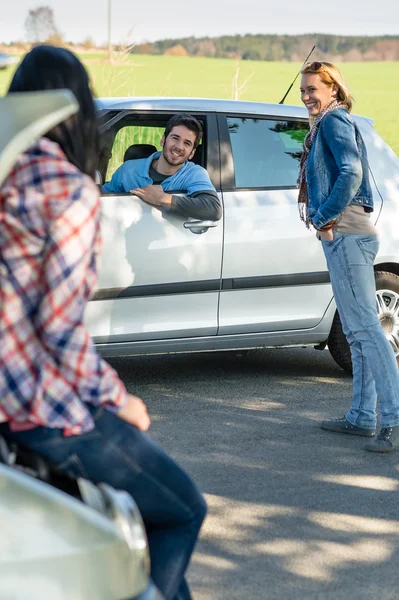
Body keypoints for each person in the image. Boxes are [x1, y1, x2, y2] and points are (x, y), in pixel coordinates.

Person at [0, 45, 206, 600]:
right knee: (184, 509)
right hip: (32, 406)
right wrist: (118, 400)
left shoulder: (5, 171)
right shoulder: (69, 188)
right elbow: (60, 331)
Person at [298, 60, 399, 453]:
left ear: (334, 90)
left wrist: (324, 216)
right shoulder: (324, 125)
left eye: (314, 89)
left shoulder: (335, 122)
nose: (307, 96)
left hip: (349, 235)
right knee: (357, 333)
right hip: (343, 236)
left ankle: (391, 420)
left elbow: (351, 172)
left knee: (368, 332)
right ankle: (361, 417)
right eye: (304, 90)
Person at [103, 113, 222, 221]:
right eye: (175, 138)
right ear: (163, 140)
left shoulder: (194, 174)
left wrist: (163, 198)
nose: (179, 147)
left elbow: (214, 209)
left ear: (192, 153)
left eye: (187, 143)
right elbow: (101, 198)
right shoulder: (128, 169)